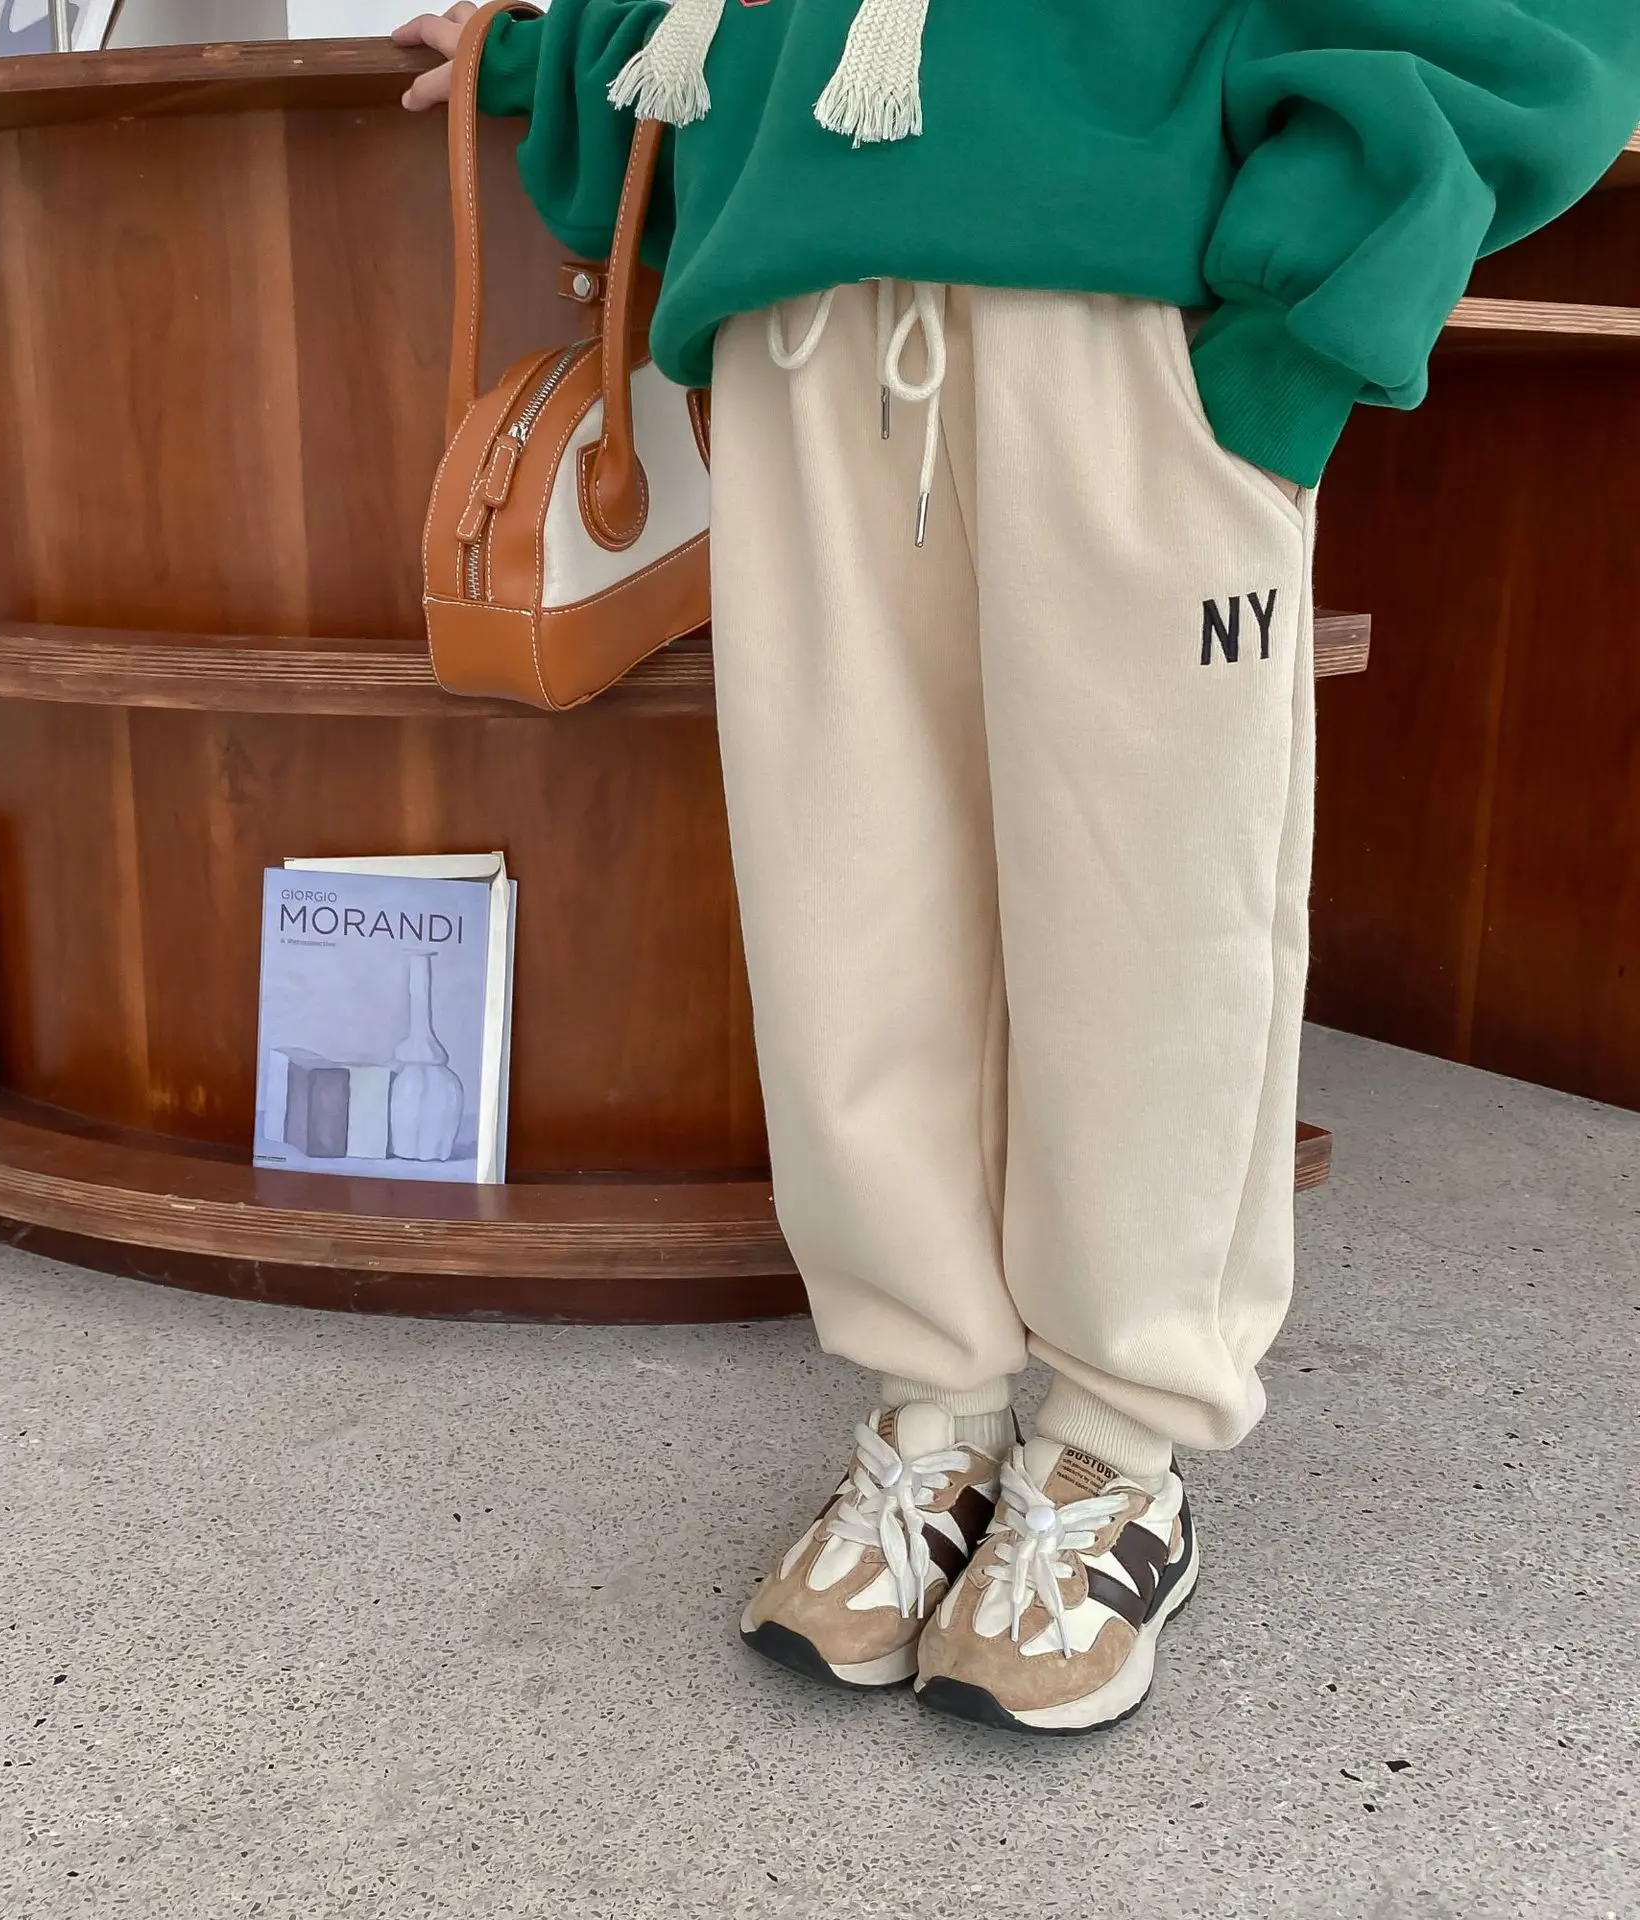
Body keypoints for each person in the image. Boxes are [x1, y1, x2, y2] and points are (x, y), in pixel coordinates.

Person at [396, 0, 1640, 1733]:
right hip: (801, 319)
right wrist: (546, 55)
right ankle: (936, 1406)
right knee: (844, 900)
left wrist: (1296, 332)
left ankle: (1121, 1446)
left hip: (1127, 318)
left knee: (1150, 903)